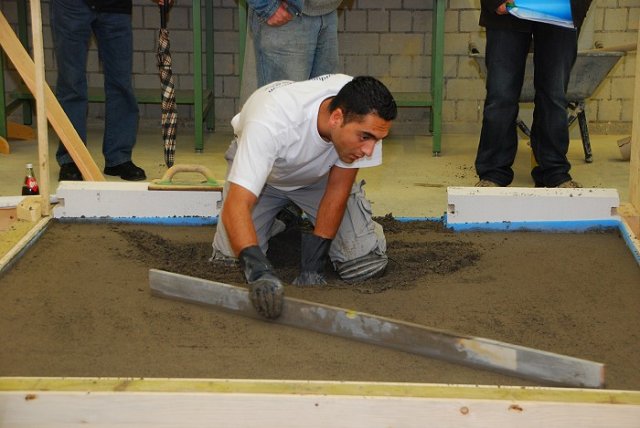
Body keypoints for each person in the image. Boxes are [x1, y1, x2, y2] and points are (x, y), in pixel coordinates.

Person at [212, 74, 397, 319]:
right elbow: (237, 205)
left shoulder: (365, 115)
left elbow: (337, 190)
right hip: (264, 180)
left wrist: (314, 264)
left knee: (363, 265)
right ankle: (283, 217)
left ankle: (357, 230)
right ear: (336, 118)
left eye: (377, 140)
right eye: (365, 137)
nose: (369, 150)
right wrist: (258, 270)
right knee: (229, 260)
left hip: (319, 178)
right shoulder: (269, 122)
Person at [475, 0, 593, 188]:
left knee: (554, 96)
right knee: (501, 96)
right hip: (508, 10)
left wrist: (577, 5)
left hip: (559, 10)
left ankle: (554, 172)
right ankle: (493, 173)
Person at [50, 0, 163, 181]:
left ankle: (118, 158)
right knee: (71, 84)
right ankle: (72, 158)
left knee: (121, 82)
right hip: (71, 6)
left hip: (115, 6)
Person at [247, 0, 342, 87]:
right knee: (285, 98)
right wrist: (266, 6)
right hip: (287, 15)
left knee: (325, 95)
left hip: (328, 11)